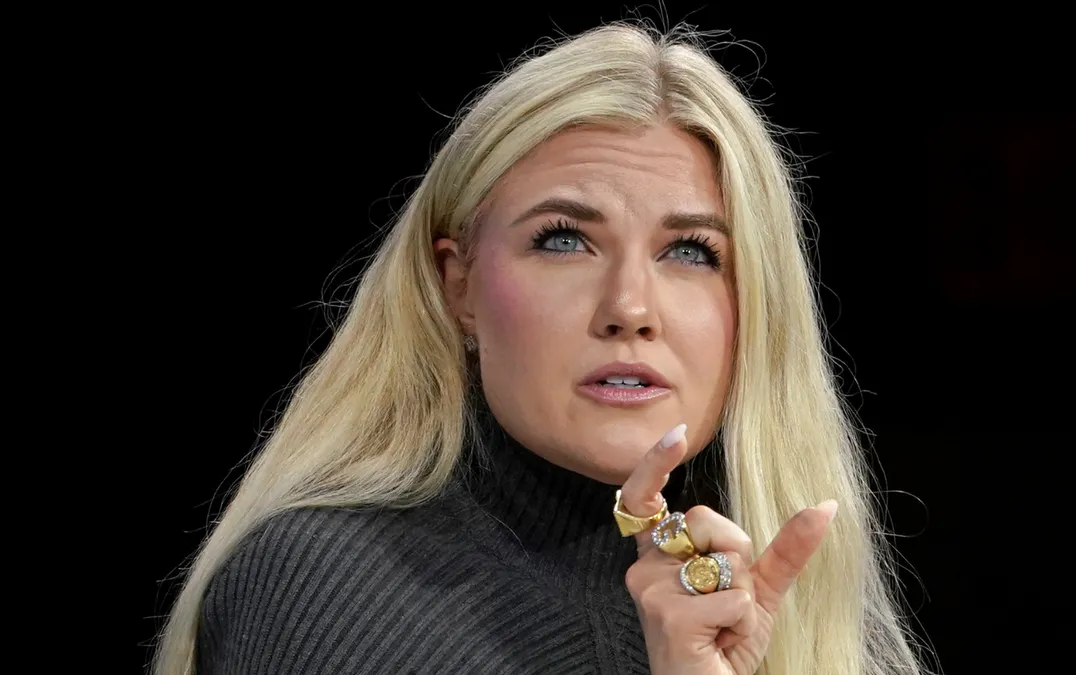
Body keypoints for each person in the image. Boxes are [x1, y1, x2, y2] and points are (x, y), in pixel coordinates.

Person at [152, 21, 930, 675]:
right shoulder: (322, 585)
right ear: (458, 286)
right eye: (564, 240)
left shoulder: (811, 617)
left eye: (690, 251)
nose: (629, 308)